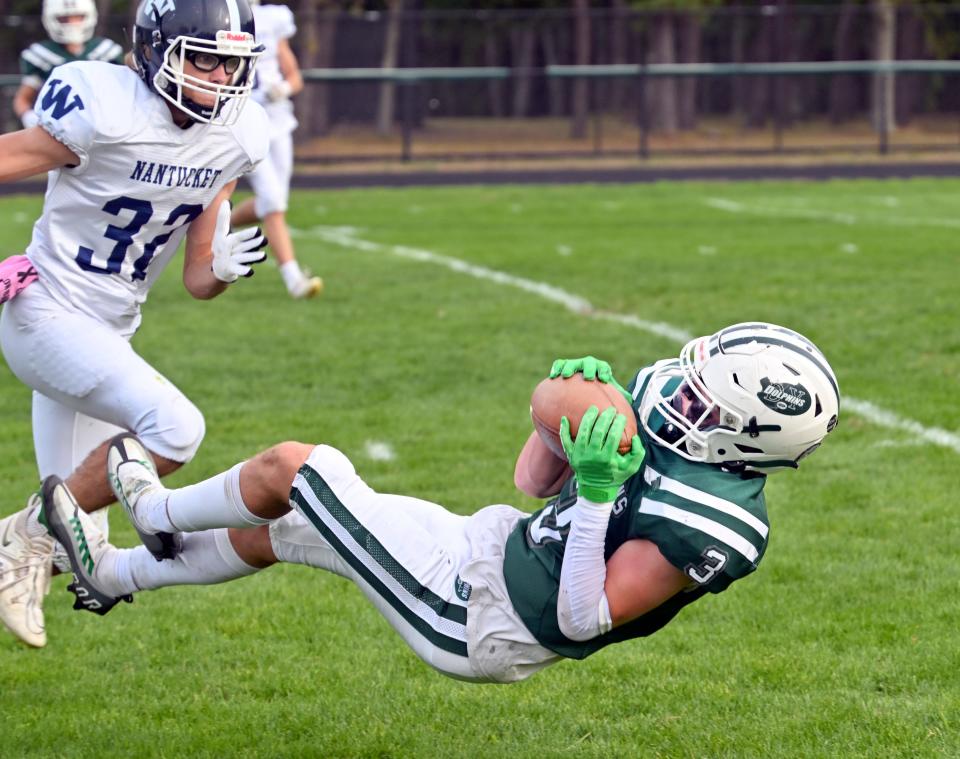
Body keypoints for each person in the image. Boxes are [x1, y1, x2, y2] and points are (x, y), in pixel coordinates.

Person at [44, 322, 840, 682]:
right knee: (278, 527)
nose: (677, 398)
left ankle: (151, 513)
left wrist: (599, 491)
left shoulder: (714, 523)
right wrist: (564, 423)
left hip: (483, 620)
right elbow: (532, 483)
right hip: (490, 549)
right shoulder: (675, 410)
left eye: (703, 405)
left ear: (748, 442)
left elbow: (580, 621)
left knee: (299, 467)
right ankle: (111, 575)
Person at [0, 0, 272, 648]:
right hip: (46, 313)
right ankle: (20, 534)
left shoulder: (232, 136)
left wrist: (225, 271)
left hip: (107, 330)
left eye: (231, 64)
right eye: (204, 59)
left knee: (81, 542)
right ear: (156, 48)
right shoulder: (105, 107)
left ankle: (28, 544)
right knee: (177, 426)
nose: (218, 78)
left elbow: (196, 279)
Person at [230, 0, 321, 300]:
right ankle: (293, 278)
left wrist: (284, 88)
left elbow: (295, 77)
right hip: (243, 121)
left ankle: (213, 226)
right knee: (272, 200)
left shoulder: (273, 19)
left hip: (279, 121)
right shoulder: (220, 18)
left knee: (274, 201)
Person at [12, 0, 124, 130]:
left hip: (105, 124)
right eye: (64, 19)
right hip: (58, 126)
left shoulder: (106, 50)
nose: (72, 23)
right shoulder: (41, 54)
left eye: (78, 17)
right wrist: (27, 115)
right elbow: (23, 98)